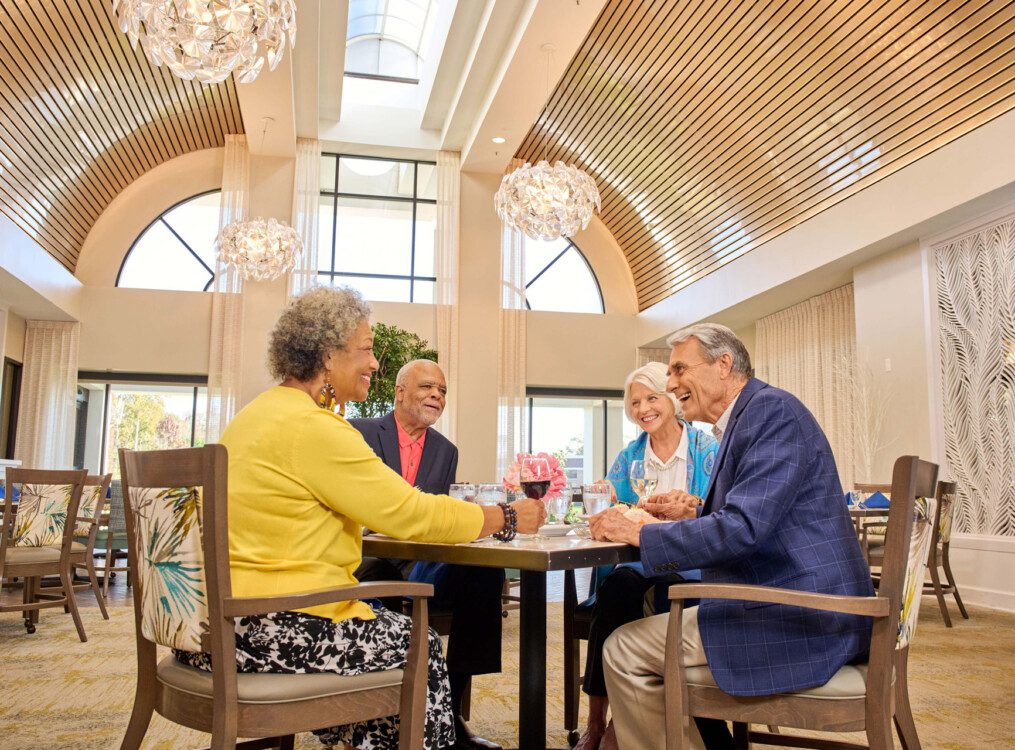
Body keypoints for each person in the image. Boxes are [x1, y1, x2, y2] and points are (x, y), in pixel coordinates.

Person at [174, 286, 545, 750]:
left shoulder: (255, 415)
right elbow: (410, 512)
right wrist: (505, 515)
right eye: (366, 350)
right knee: (420, 644)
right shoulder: (313, 426)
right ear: (328, 356)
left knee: (387, 627)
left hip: (214, 627)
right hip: (267, 627)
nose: (374, 363)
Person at [591, 323, 873, 750]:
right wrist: (696, 510)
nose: (670, 384)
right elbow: (761, 516)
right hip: (780, 595)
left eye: (679, 369)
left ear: (724, 365)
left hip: (801, 615)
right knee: (637, 616)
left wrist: (639, 534)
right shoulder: (752, 415)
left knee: (623, 650)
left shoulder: (771, 413)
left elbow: (743, 529)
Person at [350, 359, 506, 750]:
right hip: (369, 556)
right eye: (426, 388)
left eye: (442, 390)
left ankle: (449, 713)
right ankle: (376, 718)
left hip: (421, 560)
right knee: (374, 575)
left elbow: (439, 513)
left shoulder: (446, 450)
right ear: (400, 392)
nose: (436, 395)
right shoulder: (361, 432)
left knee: (483, 571)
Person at [574, 362, 718, 750]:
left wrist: (692, 506)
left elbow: (719, 514)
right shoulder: (631, 455)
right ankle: (594, 722)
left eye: (651, 398)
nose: (642, 409)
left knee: (667, 590)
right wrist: (606, 502)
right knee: (617, 588)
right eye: (635, 402)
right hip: (641, 558)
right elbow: (610, 504)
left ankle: (626, 720)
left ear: (670, 397)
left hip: (690, 562)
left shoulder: (707, 449)